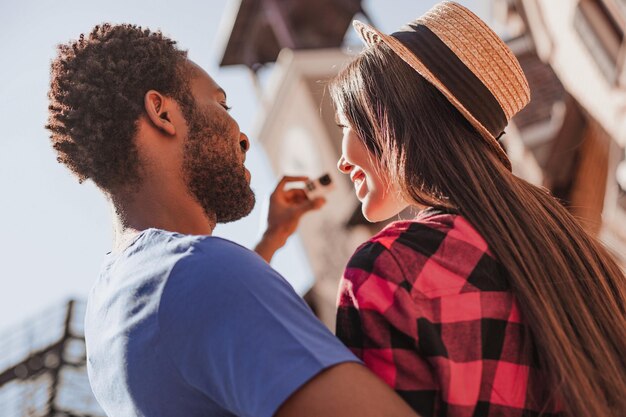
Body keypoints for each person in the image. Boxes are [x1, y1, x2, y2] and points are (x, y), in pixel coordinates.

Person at [45, 24, 418, 417]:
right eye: (222, 105)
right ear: (162, 113)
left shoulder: (109, 315)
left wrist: (271, 240)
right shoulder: (200, 274)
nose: (243, 138)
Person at [330, 2, 626, 417]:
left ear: (388, 121)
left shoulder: (388, 268)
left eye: (346, 126)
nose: (342, 160)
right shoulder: (574, 247)